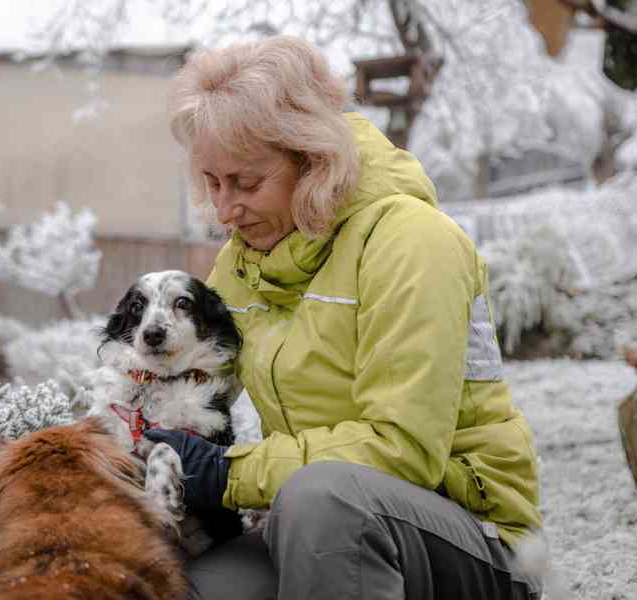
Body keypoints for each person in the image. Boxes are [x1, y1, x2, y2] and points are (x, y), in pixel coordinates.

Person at [143, 35, 543, 600]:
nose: (226, 210)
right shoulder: (242, 262)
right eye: (212, 183)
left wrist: (231, 475)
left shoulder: (412, 242)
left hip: (471, 535)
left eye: (247, 183)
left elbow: (400, 451)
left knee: (325, 499)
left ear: (312, 162)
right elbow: (184, 387)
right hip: (316, 525)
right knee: (175, 587)